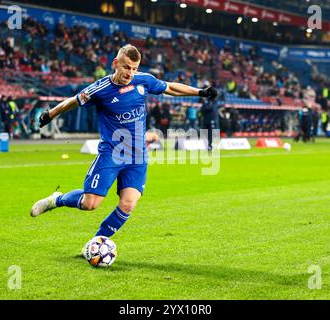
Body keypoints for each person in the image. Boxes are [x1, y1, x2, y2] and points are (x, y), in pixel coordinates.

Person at [30, 44, 217, 252]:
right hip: (112, 153)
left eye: (134, 68)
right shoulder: (99, 90)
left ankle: (94, 245)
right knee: (90, 204)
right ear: (116, 64)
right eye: (127, 67)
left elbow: (171, 88)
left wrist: (200, 92)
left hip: (137, 155)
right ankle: (57, 199)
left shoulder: (143, 81)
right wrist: (50, 114)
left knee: (128, 204)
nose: (130, 73)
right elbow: (72, 102)